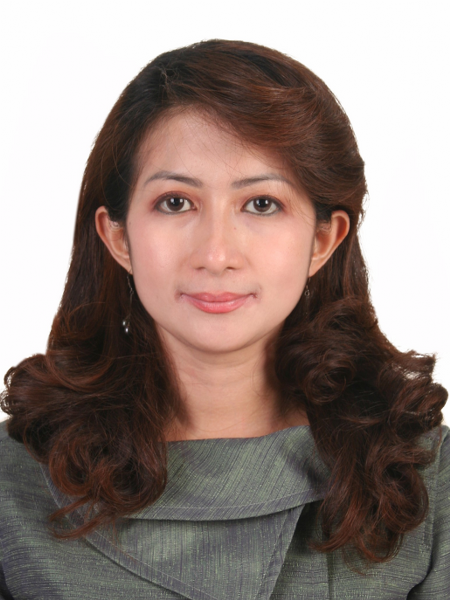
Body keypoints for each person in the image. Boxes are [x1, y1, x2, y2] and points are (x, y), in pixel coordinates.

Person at [0, 39, 448, 599]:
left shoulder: (423, 477)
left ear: (323, 239)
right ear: (118, 237)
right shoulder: (13, 485)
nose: (216, 254)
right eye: (176, 202)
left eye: (261, 204)